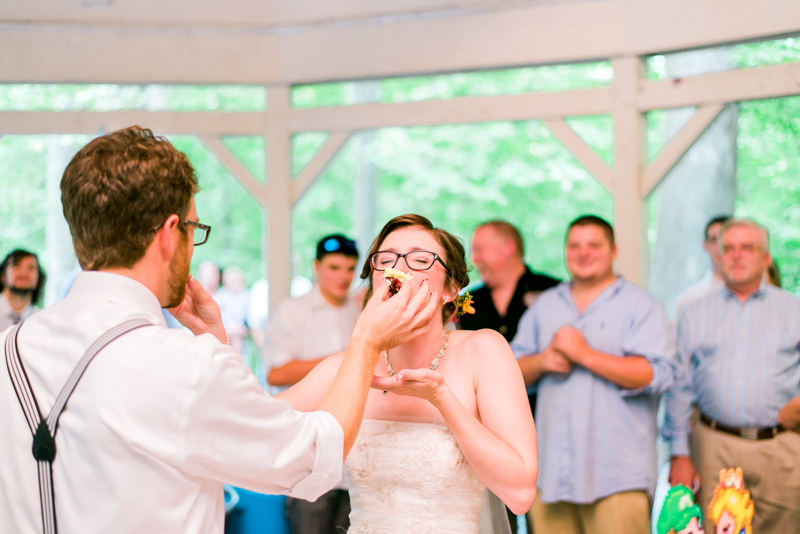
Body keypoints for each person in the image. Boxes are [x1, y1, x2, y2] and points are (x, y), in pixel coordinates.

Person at [0, 126, 437, 533]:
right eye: (195, 229)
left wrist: (215, 342)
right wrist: (365, 342)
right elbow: (311, 457)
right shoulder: (182, 364)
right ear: (171, 234)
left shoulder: (9, 347)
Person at [277, 214, 538, 534]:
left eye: (420, 259)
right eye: (385, 260)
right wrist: (218, 343)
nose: (397, 268)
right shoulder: (349, 364)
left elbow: (521, 495)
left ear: (450, 289)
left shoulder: (483, 350)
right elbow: (258, 432)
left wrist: (443, 399)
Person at [512, 215, 678, 534]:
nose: (583, 252)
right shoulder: (544, 307)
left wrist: (584, 355)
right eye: (574, 245)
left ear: (613, 251)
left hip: (617, 477)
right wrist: (543, 360)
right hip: (551, 475)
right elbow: (508, 373)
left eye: (594, 245)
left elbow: (659, 375)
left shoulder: (641, 306)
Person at [664, 218, 800, 532]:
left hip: (780, 447)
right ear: (718, 255)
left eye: (748, 248)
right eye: (728, 248)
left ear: (766, 258)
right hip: (714, 446)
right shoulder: (694, 312)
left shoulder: (793, 311)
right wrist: (679, 453)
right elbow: (680, 388)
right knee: (714, 526)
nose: (737, 255)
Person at [459, 220, 559, 532]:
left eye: (479, 250)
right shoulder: (465, 304)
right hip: (488, 436)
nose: (474, 259)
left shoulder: (553, 292)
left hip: (550, 430)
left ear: (508, 248)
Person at [263, 234, 362, 534]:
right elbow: (276, 373)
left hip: (355, 456)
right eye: (334, 267)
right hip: (310, 455)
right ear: (316, 266)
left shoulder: (360, 313)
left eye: (349, 268)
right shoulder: (292, 311)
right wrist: (347, 358)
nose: (343, 276)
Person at [673, 215, 730, 318]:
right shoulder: (689, 302)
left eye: (727, 239)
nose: (721, 247)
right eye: (714, 240)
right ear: (705, 245)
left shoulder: (763, 297)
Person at [0, 249, 46, 331]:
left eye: (31, 268)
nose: (23, 273)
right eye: (16, 265)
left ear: (38, 279)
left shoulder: (42, 321)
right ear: (3, 276)